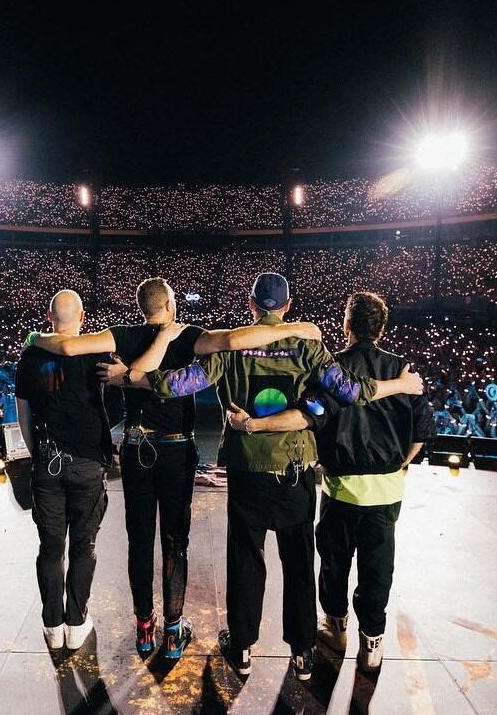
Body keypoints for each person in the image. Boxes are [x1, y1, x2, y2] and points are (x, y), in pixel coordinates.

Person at [103, 273, 424, 681]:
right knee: (299, 564)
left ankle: (241, 649)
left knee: (245, 562)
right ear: (287, 306)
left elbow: (182, 383)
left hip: (247, 471)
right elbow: (351, 391)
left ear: (252, 305)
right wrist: (401, 384)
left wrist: (130, 377)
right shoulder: (308, 345)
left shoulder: (232, 346)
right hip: (295, 471)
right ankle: (303, 654)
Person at [29, 277, 321, 658]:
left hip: (136, 450)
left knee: (138, 541)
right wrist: (296, 329)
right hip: (179, 452)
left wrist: (37, 338)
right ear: (169, 305)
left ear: (142, 306)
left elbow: (68, 344)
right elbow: (233, 340)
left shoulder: (122, 335)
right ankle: (172, 633)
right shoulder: (189, 335)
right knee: (174, 542)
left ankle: (144, 629)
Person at [226, 292, 434, 673]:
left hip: (338, 489)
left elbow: (311, 416)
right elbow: (421, 433)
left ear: (346, 325)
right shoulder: (404, 372)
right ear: (382, 329)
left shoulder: (330, 367)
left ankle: (333, 630)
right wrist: (398, 465)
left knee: (332, 565)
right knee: (376, 567)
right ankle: (368, 644)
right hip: (387, 492)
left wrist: (253, 425)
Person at [15, 289, 112, 651]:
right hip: (87, 463)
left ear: (48, 316)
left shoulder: (30, 355)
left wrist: (38, 455)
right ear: (83, 317)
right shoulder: (96, 352)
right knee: (84, 547)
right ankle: (76, 622)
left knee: (50, 548)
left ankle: (52, 625)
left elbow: (24, 414)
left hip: (47, 463)